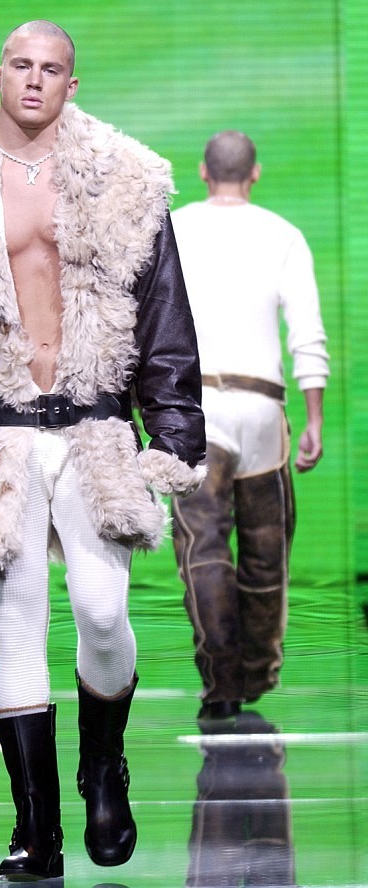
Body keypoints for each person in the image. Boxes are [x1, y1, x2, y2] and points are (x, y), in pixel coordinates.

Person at [0, 20, 206, 881]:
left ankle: (105, 765)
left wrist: (173, 431)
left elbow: (165, 320)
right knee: (16, 622)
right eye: (20, 64)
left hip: (96, 428)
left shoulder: (129, 185)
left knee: (101, 610)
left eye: (50, 68)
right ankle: (35, 831)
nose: (33, 79)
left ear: (71, 84)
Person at [170, 130, 329, 723]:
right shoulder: (282, 235)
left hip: (198, 409)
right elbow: (307, 334)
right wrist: (313, 418)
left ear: (203, 172)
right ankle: (257, 671)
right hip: (263, 408)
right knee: (265, 547)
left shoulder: (175, 229)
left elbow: (147, 320)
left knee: (202, 545)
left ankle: (222, 683)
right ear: (255, 173)